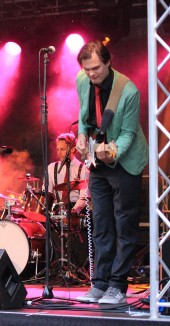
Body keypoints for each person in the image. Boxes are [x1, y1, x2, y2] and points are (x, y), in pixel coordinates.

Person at [74, 41, 148, 304]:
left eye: (95, 68)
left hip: (125, 162)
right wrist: (82, 135)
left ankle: (117, 286)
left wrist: (114, 150)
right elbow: (84, 117)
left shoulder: (128, 90)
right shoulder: (82, 80)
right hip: (98, 162)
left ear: (108, 62)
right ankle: (100, 283)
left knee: (123, 225)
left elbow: (129, 133)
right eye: (86, 69)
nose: (91, 74)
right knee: (102, 225)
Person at [46, 132, 88, 216]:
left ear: (72, 149)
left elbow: (84, 197)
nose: (59, 152)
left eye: (62, 149)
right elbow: (48, 193)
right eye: (58, 149)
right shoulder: (51, 167)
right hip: (58, 210)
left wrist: (74, 211)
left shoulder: (83, 169)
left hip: (77, 211)